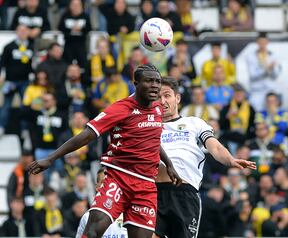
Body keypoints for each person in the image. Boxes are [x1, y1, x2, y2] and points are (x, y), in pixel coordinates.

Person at [28, 64, 181, 238]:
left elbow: (151, 139)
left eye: (157, 81)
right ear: (136, 83)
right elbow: (87, 135)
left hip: (146, 186)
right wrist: (51, 158)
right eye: (149, 81)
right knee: (93, 232)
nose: (155, 85)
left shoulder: (157, 108)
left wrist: (169, 164)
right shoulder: (120, 109)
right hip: (119, 178)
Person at [153, 77, 256, 238]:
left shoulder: (194, 123)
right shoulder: (148, 126)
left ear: (177, 98)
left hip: (184, 194)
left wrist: (230, 159)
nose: (162, 101)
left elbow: (214, 146)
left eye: (167, 95)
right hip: (153, 193)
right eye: (158, 97)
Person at [76, 168, 128, 238]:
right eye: (104, 183)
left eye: (114, 183)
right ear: (97, 187)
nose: (109, 188)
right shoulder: (87, 217)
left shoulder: (131, 217)